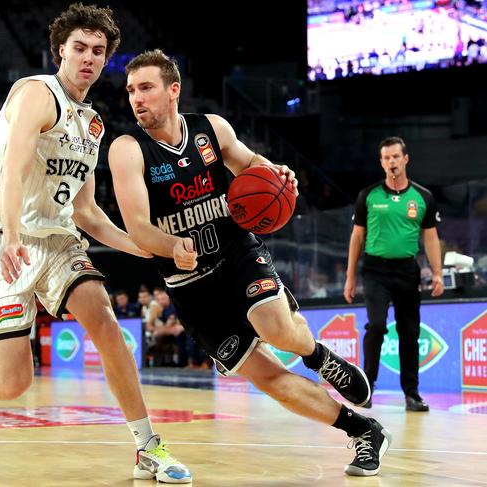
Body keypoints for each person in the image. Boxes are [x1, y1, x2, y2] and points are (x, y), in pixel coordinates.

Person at [0, 6, 191, 483]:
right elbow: (16, 162)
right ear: (60, 49)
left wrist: (143, 247)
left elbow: (86, 212)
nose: (88, 58)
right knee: (12, 382)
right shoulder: (36, 93)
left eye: (98, 52)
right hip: (3, 239)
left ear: (106, 61)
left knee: (104, 321)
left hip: (60, 241)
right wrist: (14, 236)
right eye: (79, 48)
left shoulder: (94, 124)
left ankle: (147, 446)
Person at [108, 49, 390, 477]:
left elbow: (252, 165)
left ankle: (317, 356)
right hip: (191, 289)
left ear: (173, 90)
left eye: (145, 87)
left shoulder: (211, 130)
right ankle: (363, 429)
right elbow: (138, 227)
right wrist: (170, 245)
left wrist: (279, 173)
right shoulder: (127, 150)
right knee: (268, 378)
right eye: (131, 90)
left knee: (275, 329)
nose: (136, 98)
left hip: (237, 253)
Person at [344, 136, 444, 411]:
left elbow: (431, 238)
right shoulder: (369, 195)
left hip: (407, 271)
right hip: (375, 270)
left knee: (410, 332)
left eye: (396, 157)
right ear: (381, 162)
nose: (391, 162)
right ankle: (367, 389)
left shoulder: (423, 197)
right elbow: (357, 237)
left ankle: (411, 394)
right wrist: (350, 277)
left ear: (405, 159)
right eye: (386, 158)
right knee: (376, 326)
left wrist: (437, 273)